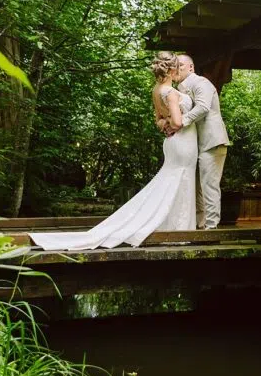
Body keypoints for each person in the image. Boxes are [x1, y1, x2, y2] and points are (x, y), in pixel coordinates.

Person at [28, 52, 197, 250]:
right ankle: (179, 231)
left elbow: (159, 120)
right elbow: (177, 121)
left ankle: (173, 228)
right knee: (181, 182)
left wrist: (165, 122)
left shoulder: (156, 90)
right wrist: (173, 121)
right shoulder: (171, 93)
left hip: (172, 143)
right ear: (170, 70)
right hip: (182, 143)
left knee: (171, 183)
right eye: (176, 68)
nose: (178, 71)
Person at [158, 54, 231, 229]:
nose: (177, 68)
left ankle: (211, 227)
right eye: (175, 65)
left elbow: (203, 107)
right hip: (193, 145)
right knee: (196, 186)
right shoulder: (178, 90)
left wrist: (180, 122)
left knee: (209, 185)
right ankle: (200, 224)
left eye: (181, 65)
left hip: (212, 141)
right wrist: (166, 122)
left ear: (191, 67)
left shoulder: (201, 83)